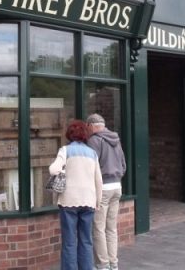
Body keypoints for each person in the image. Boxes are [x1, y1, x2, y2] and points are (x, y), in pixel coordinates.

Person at [50, 119, 103, 270]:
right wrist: (98, 201)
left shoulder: (65, 150)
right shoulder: (92, 153)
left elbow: (53, 170)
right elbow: (98, 180)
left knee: (69, 241)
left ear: (70, 134)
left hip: (69, 201)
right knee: (86, 240)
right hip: (89, 201)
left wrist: (63, 171)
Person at [86, 113, 126, 270]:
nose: (87, 130)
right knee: (111, 228)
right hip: (117, 187)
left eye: (87, 127)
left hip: (103, 188)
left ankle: (103, 265)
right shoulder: (115, 139)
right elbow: (123, 164)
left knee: (98, 228)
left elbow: (91, 166)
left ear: (92, 126)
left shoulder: (94, 140)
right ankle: (113, 263)